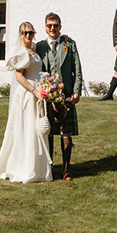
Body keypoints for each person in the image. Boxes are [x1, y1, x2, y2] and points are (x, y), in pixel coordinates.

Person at [0, 22, 53, 183]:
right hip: (28, 93)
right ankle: (24, 167)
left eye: (30, 33)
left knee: (37, 129)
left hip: (38, 92)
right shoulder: (20, 52)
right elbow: (18, 76)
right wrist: (34, 91)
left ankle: (39, 168)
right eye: (24, 33)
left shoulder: (35, 49)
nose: (28, 36)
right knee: (27, 128)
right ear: (20, 34)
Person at [36, 12, 83, 181]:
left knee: (66, 134)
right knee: (48, 133)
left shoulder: (69, 45)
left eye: (55, 25)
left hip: (67, 95)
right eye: (49, 25)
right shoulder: (40, 46)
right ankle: (49, 170)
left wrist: (77, 90)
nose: (52, 28)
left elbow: (77, 70)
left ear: (60, 26)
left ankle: (66, 171)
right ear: (45, 27)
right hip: (47, 96)